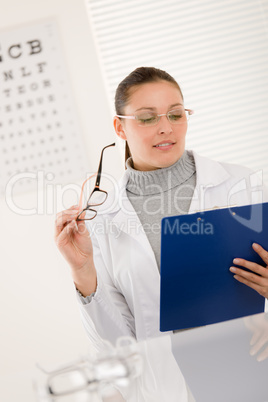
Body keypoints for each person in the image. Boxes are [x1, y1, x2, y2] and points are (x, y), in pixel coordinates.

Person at [55, 67, 268, 351]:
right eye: (147, 117)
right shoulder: (100, 220)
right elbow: (115, 347)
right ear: (120, 127)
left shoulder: (244, 185)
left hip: (252, 366)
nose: (166, 127)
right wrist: (81, 271)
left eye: (176, 114)